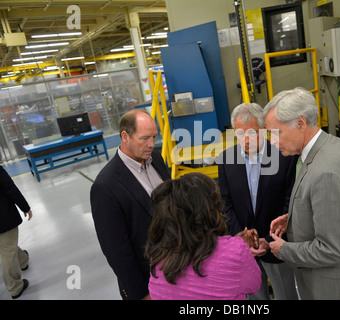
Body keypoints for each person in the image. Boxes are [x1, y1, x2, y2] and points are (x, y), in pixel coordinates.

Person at [264, 87, 340, 300]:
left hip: (333, 289)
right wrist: (294, 220)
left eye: (276, 133)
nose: (272, 141)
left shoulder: (326, 172)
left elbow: (331, 249)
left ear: (301, 123)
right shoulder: (333, 146)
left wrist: (284, 250)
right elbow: (332, 210)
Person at [218, 103, 299, 300]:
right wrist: (242, 238)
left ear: (264, 129)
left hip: (277, 246)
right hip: (244, 249)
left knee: (286, 295)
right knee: (254, 299)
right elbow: (225, 203)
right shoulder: (226, 159)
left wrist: (270, 240)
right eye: (239, 133)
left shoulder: (284, 156)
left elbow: (291, 202)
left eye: (252, 133)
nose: (246, 139)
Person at [90, 109, 170, 300]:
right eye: (144, 138)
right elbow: (117, 252)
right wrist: (141, 293)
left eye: (154, 137)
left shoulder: (156, 159)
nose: (151, 144)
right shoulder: (105, 186)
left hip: (177, 266)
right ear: (125, 136)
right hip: (148, 280)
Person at [146, 172, 261, 300]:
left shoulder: (158, 255)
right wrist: (235, 248)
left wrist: (232, 244)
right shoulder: (236, 251)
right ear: (210, 210)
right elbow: (254, 285)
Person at [0, 165, 32, 299]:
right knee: (8, 251)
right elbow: (10, 188)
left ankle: (23, 260)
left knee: (7, 245)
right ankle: (15, 288)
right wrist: (25, 207)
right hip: (2, 218)